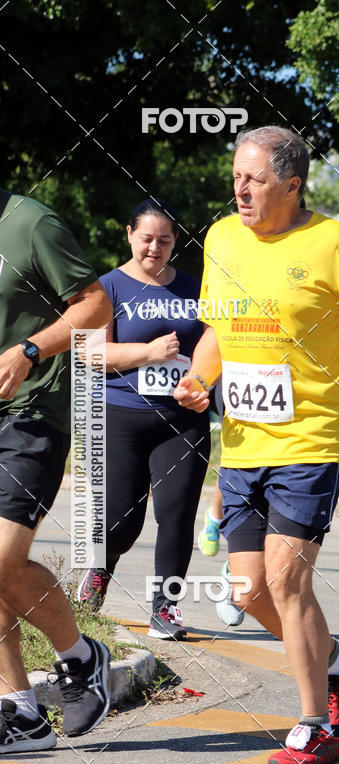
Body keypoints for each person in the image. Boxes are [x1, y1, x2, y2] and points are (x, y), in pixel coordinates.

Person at [174, 125, 339, 764]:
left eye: (254, 179)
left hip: (310, 438)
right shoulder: (223, 238)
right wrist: (198, 378)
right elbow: (218, 330)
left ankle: (316, 727)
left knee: (285, 579)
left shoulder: (334, 243)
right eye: (236, 177)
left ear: (292, 185)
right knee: (249, 591)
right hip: (242, 441)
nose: (240, 189)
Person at [0, 189, 113, 752]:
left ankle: (80, 656)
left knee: (1, 556)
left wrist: (29, 350)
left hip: (32, 413)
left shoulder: (30, 222)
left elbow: (95, 306)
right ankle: (22, 712)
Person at [76, 198, 210, 640]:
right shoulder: (108, 287)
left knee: (177, 514)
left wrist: (202, 383)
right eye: (147, 238)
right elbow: (90, 353)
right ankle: (100, 568)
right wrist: (148, 353)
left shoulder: (194, 288)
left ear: (175, 242)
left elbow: (214, 343)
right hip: (120, 415)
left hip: (182, 419)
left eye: (164, 241)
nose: (155, 248)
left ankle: (165, 608)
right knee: (120, 521)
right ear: (130, 235)